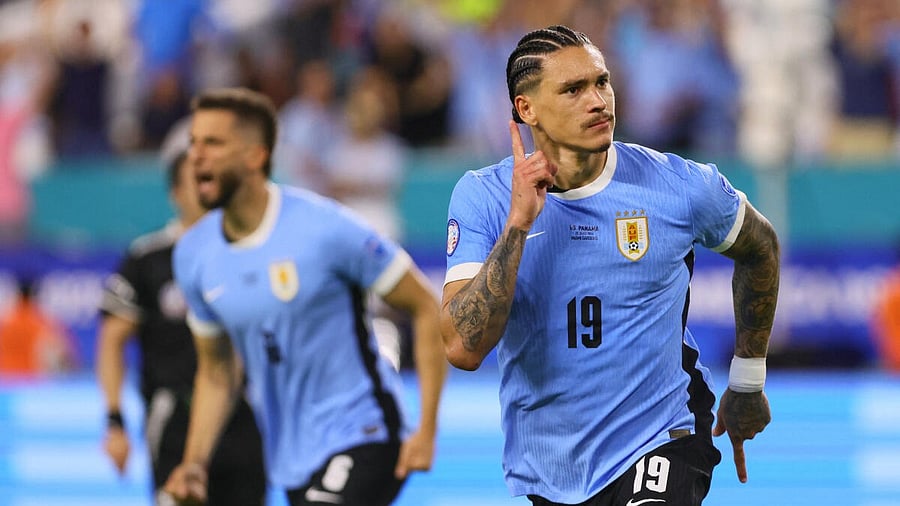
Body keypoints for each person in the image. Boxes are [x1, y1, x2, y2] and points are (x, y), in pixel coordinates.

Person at [439, 25, 780, 506]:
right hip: (552, 466)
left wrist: (748, 380)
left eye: (601, 82)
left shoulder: (677, 186)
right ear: (526, 109)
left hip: (664, 436)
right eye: (573, 89)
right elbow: (462, 348)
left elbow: (759, 245)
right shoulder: (485, 198)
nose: (598, 100)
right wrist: (517, 226)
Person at [162, 87, 447, 506]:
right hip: (292, 456)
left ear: (255, 156)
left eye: (213, 143)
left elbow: (424, 305)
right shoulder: (193, 255)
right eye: (193, 144)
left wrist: (427, 429)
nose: (196, 156)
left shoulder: (324, 228)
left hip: (366, 430)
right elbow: (217, 370)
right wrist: (194, 464)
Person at [95, 151, 266, 506]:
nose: (208, 189)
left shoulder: (251, 254)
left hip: (242, 414)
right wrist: (115, 421)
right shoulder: (148, 258)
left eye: (214, 179)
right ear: (175, 192)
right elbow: (112, 340)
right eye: (198, 180)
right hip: (174, 417)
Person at [0, 275, 77, 377]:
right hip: (31, 383)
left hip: (4, 381)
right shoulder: (42, 323)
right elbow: (62, 356)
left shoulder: (5, 322)